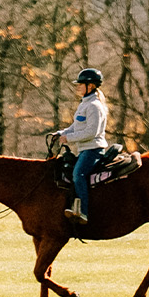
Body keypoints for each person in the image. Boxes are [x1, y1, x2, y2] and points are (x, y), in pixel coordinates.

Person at [50, 68, 109, 224]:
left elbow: (91, 132)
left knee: (78, 174)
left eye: (80, 84)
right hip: (85, 150)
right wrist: (61, 132)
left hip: (93, 150)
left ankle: (83, 211)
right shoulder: (85, 104)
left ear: (90, 86)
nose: (77, 87)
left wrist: (68, 138)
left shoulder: (94, 106)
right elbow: (76, 126)